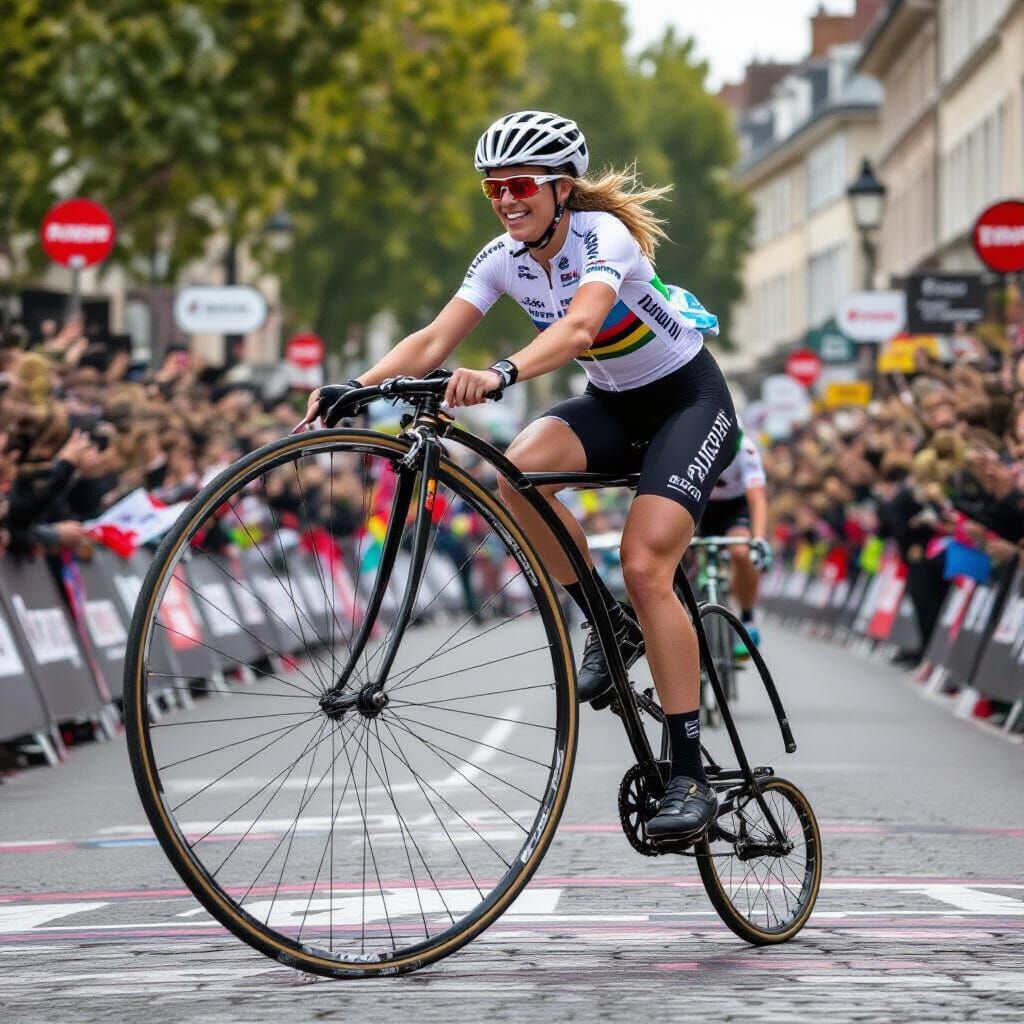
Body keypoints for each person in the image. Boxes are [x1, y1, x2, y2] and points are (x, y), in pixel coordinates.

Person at [299, 110, 739, 842]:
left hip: (687, 403)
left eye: (521, 185)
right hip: (613, 405)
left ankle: (689, 775)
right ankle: (607, 621)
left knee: (644, 565)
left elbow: (579, 330)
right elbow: (434, 338)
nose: (506, 200)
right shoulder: (501, 256)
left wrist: (501, 373)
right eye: (493, 188)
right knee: (519, 473)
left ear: (561, 188)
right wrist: (358, 387)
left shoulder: (603, 236)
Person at [696, 426, 772, 655]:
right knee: (679, 552)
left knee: (741, 552)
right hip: (701, 503)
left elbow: (757, 499)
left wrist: (759, 540)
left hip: (735, 506)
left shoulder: (746, 450)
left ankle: (748, 617)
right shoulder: (693, 443)